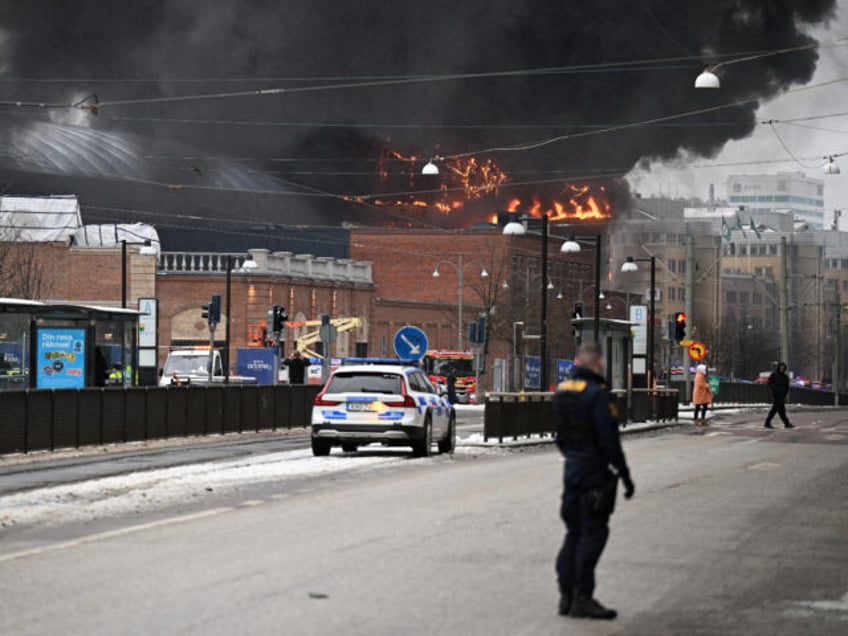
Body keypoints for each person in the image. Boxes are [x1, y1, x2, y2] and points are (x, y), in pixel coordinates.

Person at [553, 342, 635, 620]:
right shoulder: (599, 395)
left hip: (572, 470)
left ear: (577, 361)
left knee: (573, 532)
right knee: (594, 532)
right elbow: (609, 440)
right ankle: (582, 597)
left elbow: (560, 437)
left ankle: (566, 594)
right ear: (598, 363)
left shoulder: (562, 392)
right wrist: (624, 475)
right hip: (594, 473)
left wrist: (573, 457)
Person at [765, 361, 793, 429]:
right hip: (776, 395)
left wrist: (785, 394)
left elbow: (786, 386)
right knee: (781, 410)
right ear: (778, 368)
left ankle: (767, 422)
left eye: (783, 368)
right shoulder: (774, 375)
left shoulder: (785, 377)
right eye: (781, 368)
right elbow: (769, 383)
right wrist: (775, 389)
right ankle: (786, 423)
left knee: (775, 410)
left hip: (781, 395)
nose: (782, 369)